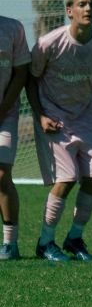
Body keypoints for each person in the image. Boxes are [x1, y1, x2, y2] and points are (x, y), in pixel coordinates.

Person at [25, 0, 92, 262]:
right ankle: (45, 242)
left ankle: (74, 238)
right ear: (69, 11)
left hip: (86, 118)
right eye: (82, 4)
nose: (88, 9)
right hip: (55, 117)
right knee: (66, 179)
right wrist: (41, 116)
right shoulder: (48, 43)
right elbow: (31, 79)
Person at [0, 14, 32, 260]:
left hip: (5, 114)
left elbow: (21, 73)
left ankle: (10, 243)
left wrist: (2, 110)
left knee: (1, 174)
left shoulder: (13, 28)